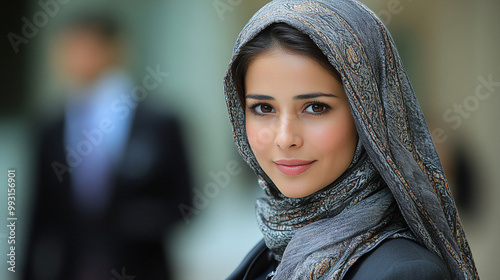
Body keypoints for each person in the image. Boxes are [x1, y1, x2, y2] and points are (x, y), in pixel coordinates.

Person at [223, 0, 478, 279]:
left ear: (368, 116)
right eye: (264, 108)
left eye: (316, 107)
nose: (285, 139)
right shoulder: (272, 252)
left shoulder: (404, 272)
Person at [24, 13, 192, 280]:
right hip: (71, 267)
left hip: (142, 267)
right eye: (69, 49)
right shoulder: (51, 127)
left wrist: (132, 220)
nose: (76, 58)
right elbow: (38, 212)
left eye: (86, 47)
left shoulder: (158, 121)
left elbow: (185, 202)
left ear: (114, 49)